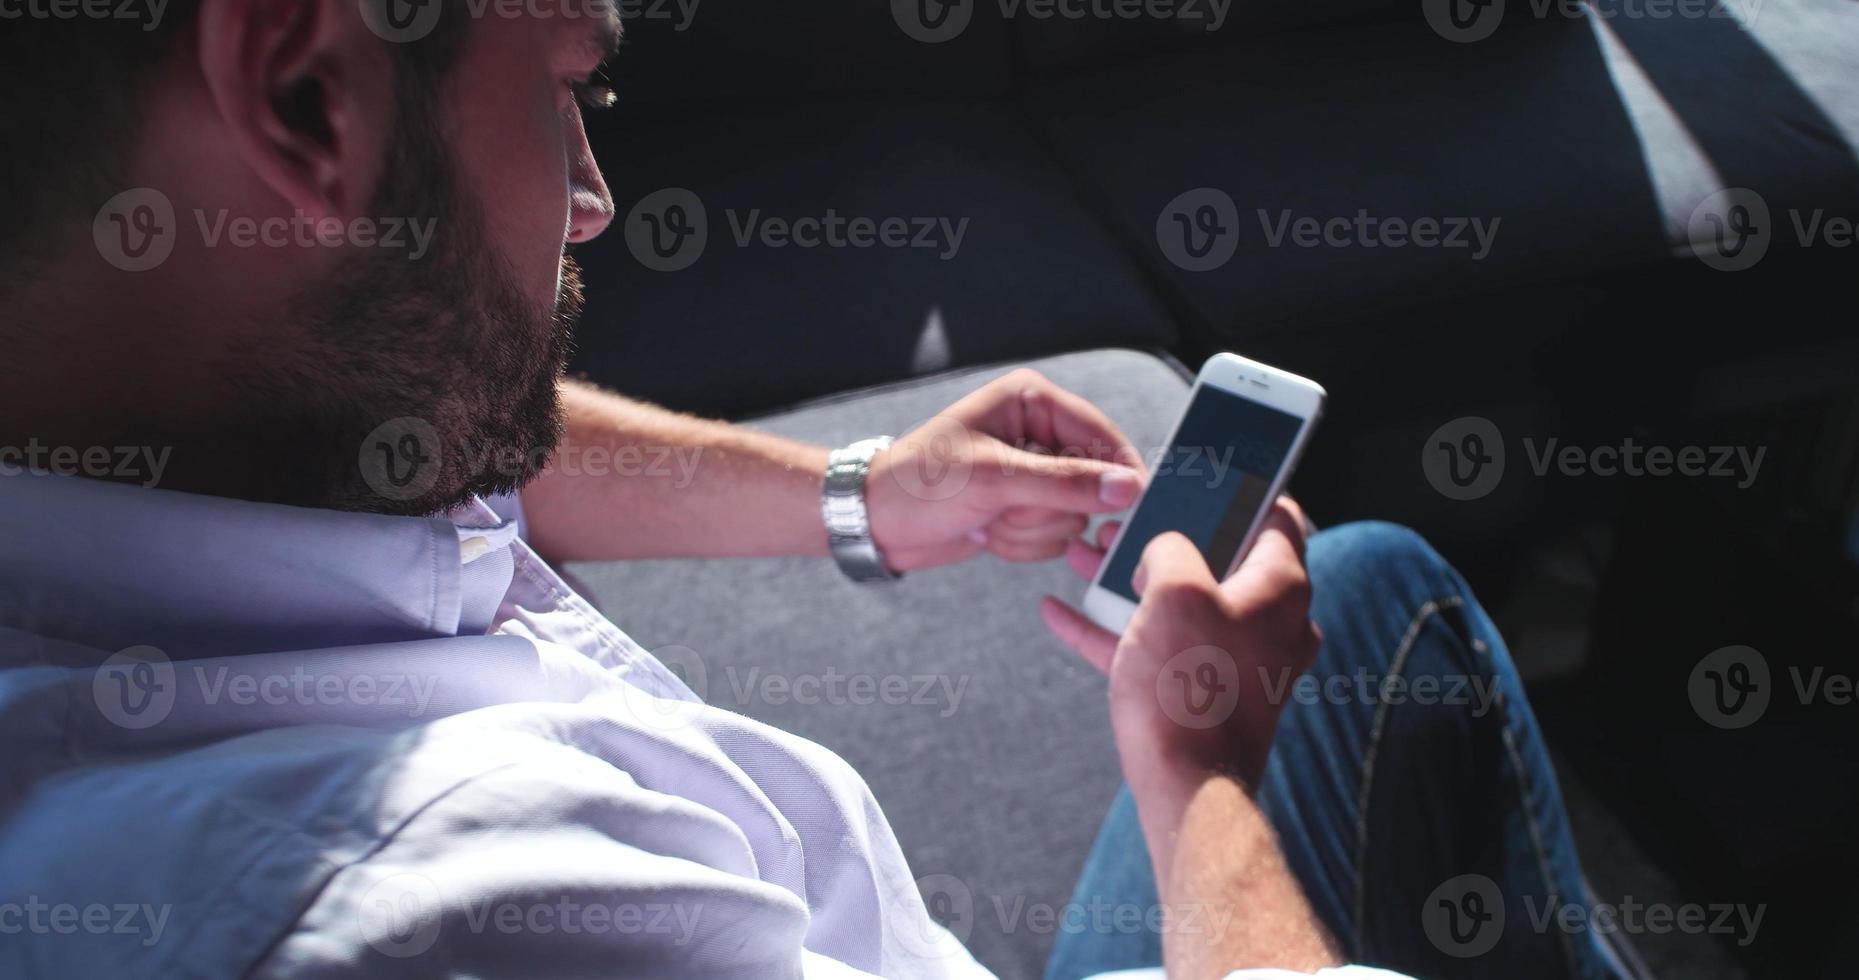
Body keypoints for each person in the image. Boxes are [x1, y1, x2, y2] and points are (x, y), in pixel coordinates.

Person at [0, 5, 1629, 978]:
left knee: (1364, 582)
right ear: (303, 95)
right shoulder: (465, 910)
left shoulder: (123, 393)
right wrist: (1201, 770)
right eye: (565, 74)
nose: (590, 192)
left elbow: (386, 389)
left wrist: (860, 494)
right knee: (1381, 599)